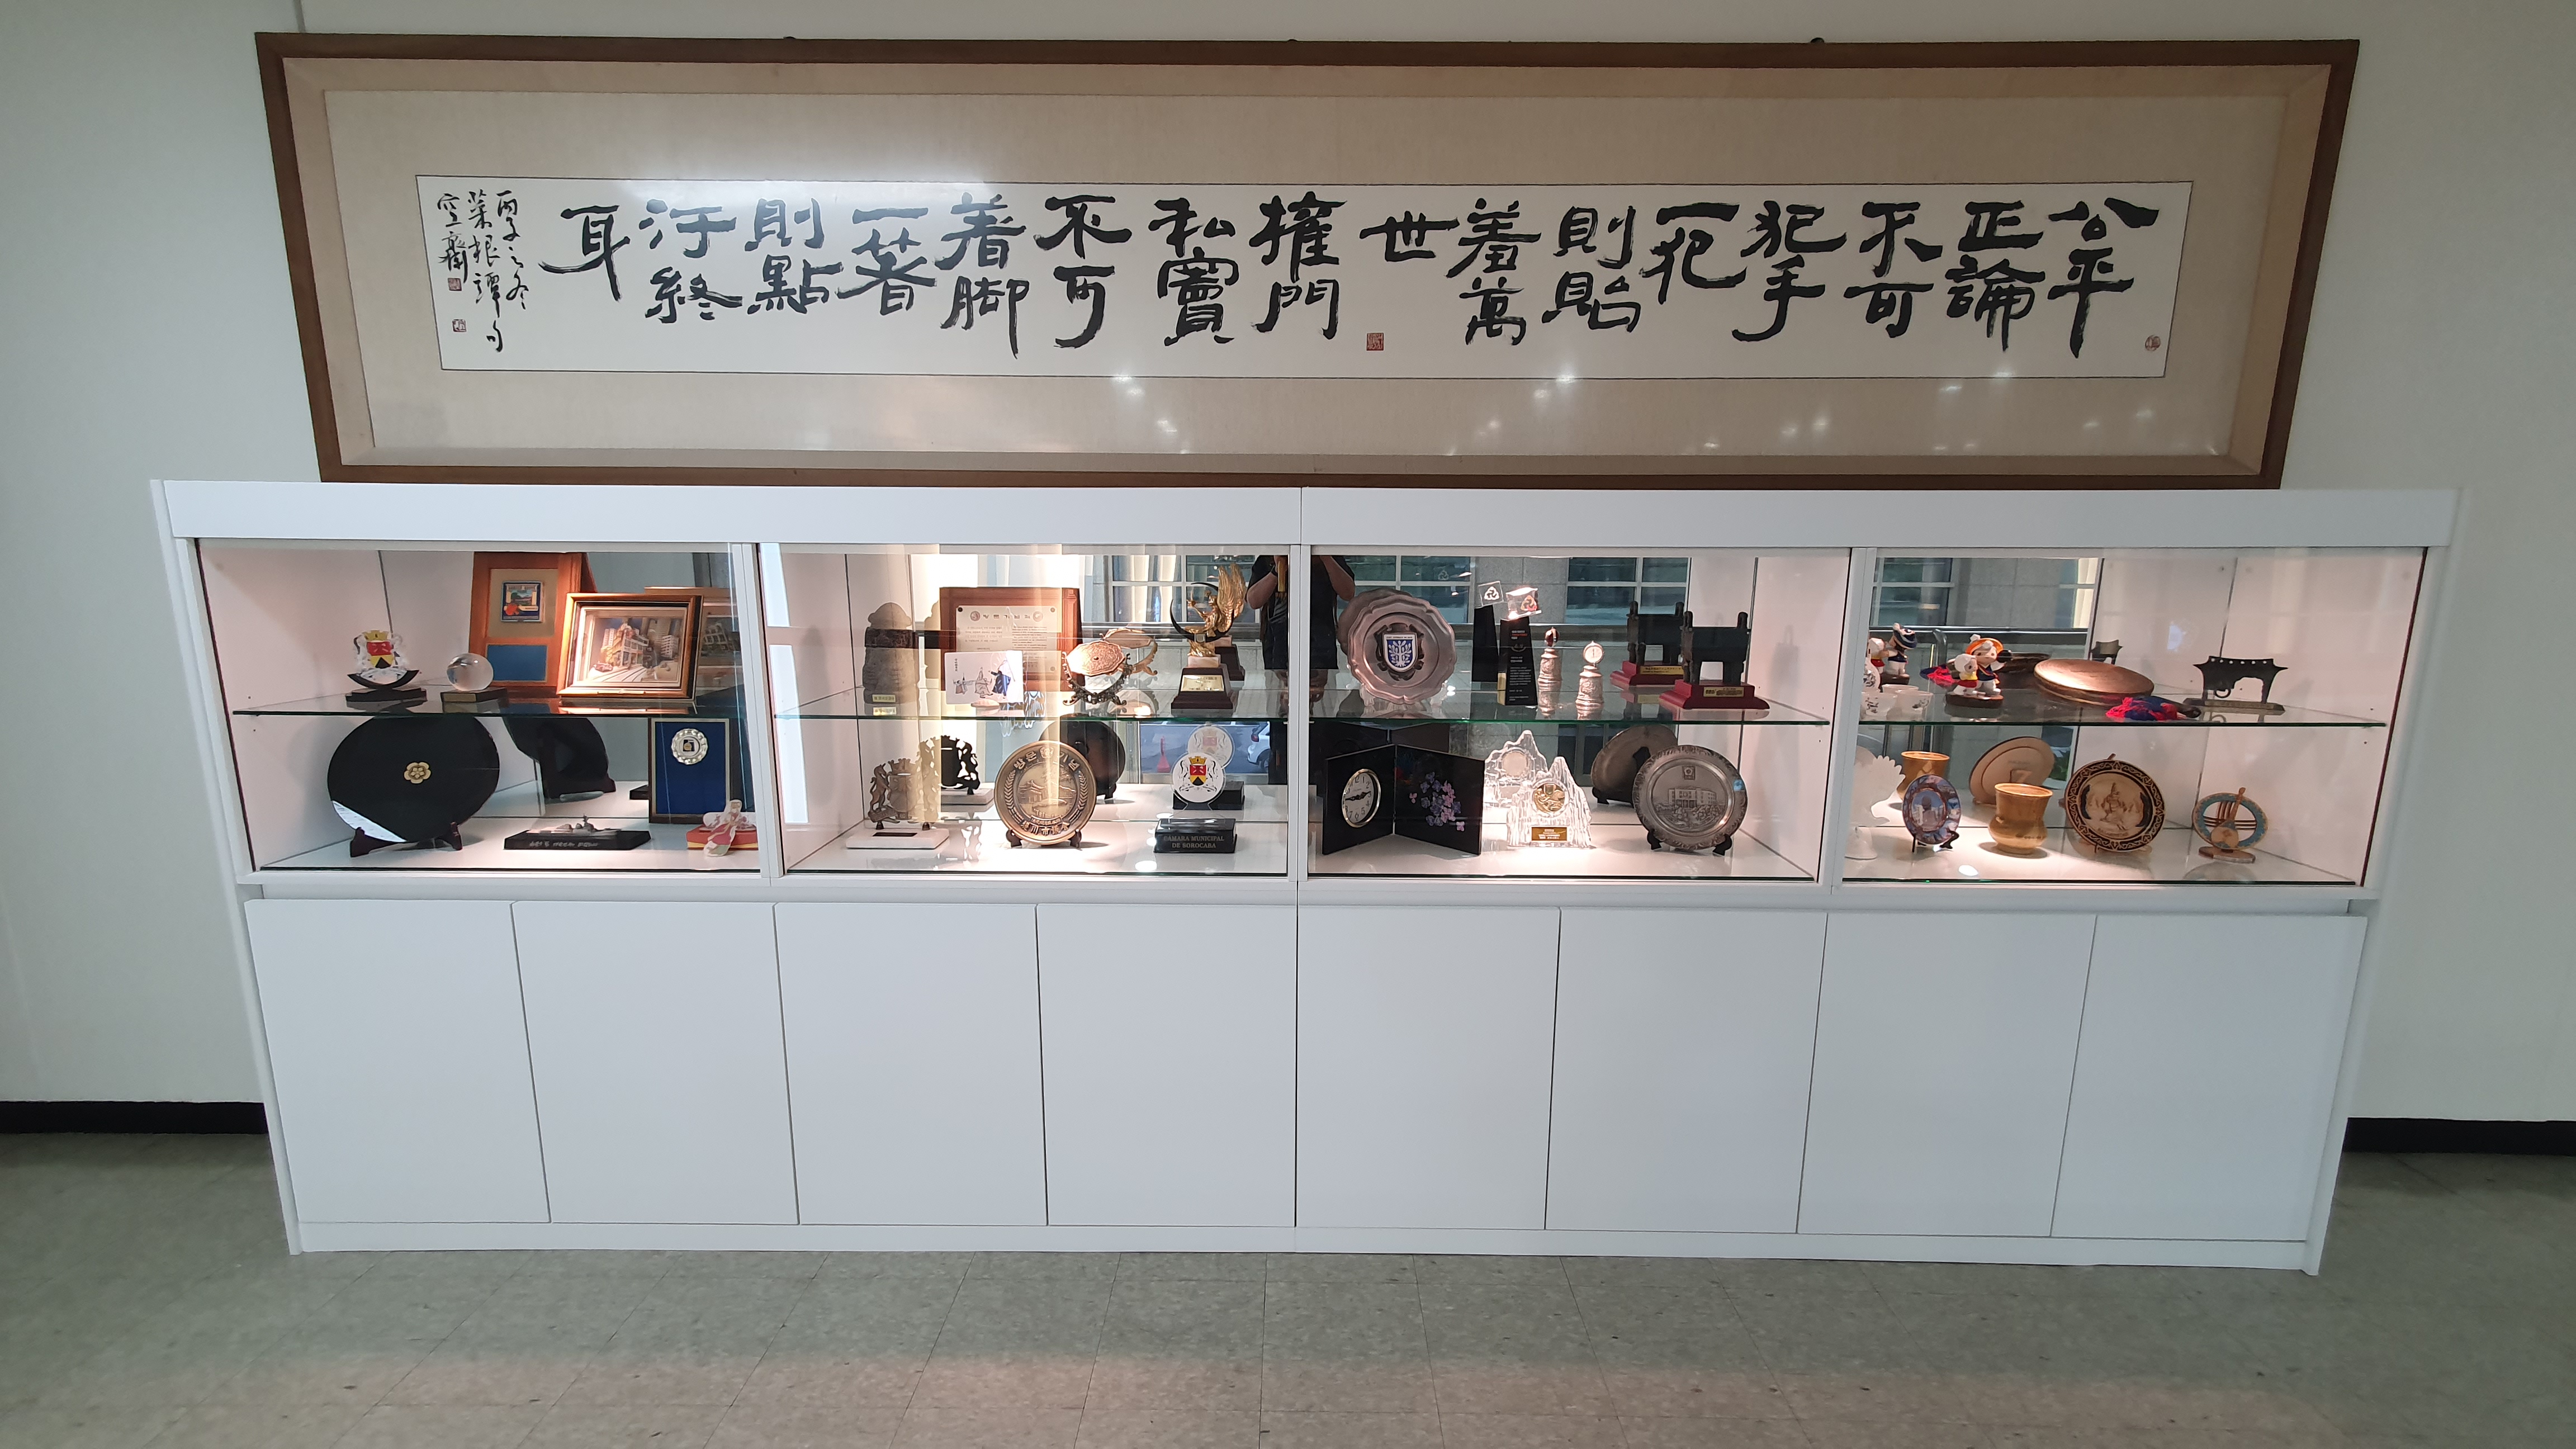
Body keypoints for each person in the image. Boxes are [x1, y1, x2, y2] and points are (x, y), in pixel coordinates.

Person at [1245, 552, 1355, 697]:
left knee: (1323, 701)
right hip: (1279, 645)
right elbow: (1254, 601)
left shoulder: (1330, 557)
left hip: (1321, 644)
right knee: (1279, 699)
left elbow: (1348, 593)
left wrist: (1325, 557)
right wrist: (1277, 570)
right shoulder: (1267, 560)